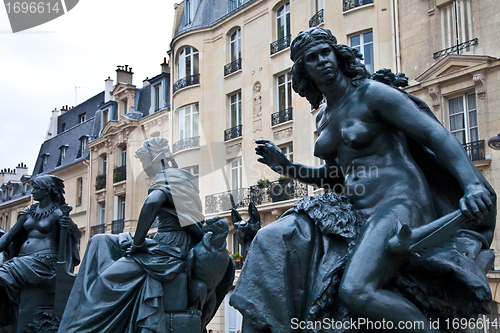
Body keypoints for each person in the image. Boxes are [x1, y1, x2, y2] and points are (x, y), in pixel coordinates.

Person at [231, 27, 495, 333]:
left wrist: (472, 184)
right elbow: (336, 177)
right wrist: (288, 167)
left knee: (356, 290)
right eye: (313, 58)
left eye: (325, 53)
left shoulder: (372, 93)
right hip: (354, 207)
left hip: (400, 200)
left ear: (337, 55)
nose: (323, 61)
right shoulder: (323, 118)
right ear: (305, 71)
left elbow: (432, 134)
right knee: (270, 238)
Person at [58, 137, 220, 333]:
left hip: (169, 247)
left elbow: (152, 202)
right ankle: (79, 304)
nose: (144, 168)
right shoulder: (184, 177)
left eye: (144, 162)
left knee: (106, 280)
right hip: (168, 242)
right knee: (100, 240)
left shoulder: (167, 176)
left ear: (155, 157)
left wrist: (138, 242)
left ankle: (83, 320)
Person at [0, 175, 80, 329]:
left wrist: (70, 225)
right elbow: (10, 236)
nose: (32, 192)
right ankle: (6, 321)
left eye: (36, 188)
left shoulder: (58, 212)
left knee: (2, 277)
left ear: (47, 190)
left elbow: (76, 236)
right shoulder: (29, 212)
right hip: (22, 260)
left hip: (45, 262)